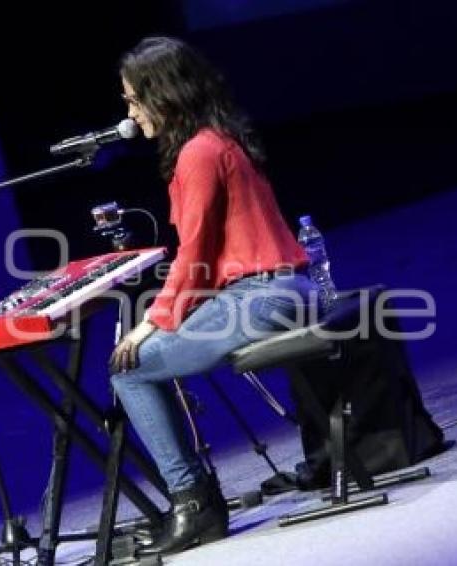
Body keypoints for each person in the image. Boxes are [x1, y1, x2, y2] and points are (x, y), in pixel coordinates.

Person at [108, 36, 317, 555]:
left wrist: (151, 322)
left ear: (164, 96)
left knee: (127, 367)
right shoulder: (215, 138)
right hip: (281, 290)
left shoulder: (199, 152)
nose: (131, 114)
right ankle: (196, 500)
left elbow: (195, 255)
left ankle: (192, 503)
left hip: (263, 298)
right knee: (144, 360)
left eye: (134, 100)